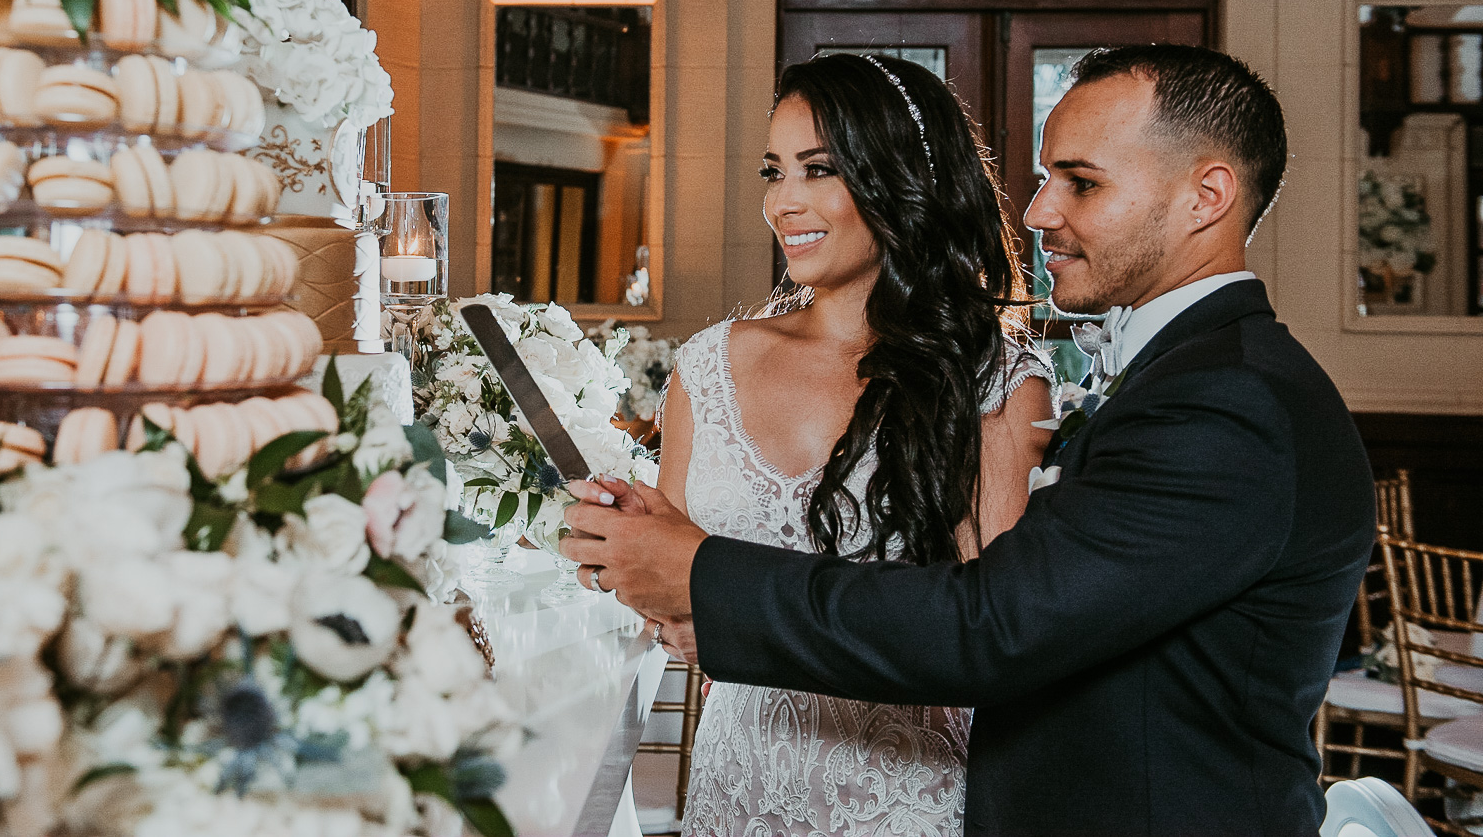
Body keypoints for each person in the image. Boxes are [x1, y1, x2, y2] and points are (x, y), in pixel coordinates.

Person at [564, 44, 1376, 837]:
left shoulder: (1227, 400)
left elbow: (991, 626)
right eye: (1046, 177)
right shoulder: (1194, 372)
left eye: (1081, 183)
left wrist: (703, 575)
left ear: (1207, 196)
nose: (1037, 213)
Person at [643, 52, 1053, 836]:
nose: (783, 202)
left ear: (901, 179)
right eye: (774, 172)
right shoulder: (707, 367)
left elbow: (997, 640)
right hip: (739, 789)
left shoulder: (995, 385)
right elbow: (672, 589)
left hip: (906, 803)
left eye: (819, 170)